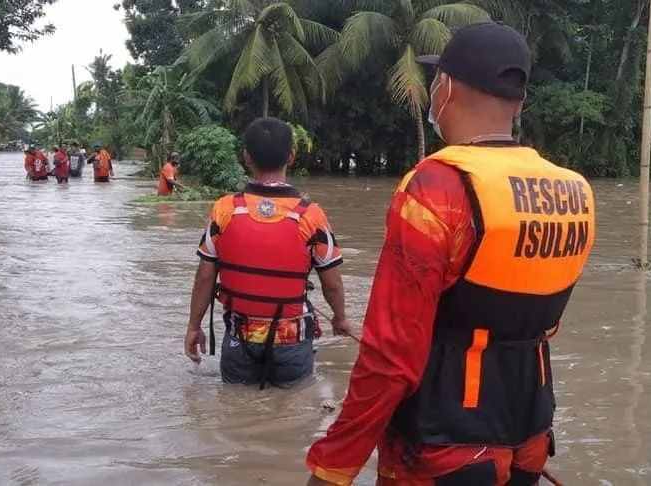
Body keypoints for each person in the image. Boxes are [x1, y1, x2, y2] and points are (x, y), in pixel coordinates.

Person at [305, 23, 596, 486]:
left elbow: (389, 359)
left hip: (444, 449)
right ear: (519, 100)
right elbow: (540, 322)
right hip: (530, 438)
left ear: (449, 86)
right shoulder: (574, 190)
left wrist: (333, 468)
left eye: (436, 79)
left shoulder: (436, 188)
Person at [184, 117, 351, 388]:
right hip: (292, 343)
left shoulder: (224, 210)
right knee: (294, 419)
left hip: (239, 341)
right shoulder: (311, 215)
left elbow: (204, 277)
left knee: (235, 416)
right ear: (292, 156)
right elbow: (332, 283)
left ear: (246, 157)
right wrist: (340, 317)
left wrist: (193, 326)